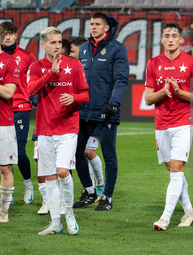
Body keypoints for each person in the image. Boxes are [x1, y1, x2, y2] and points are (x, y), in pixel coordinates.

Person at [28, 27, 89, 235]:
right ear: (43, 45)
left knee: (62, 172)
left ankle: (69, 213)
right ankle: (56, 222)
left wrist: (74, 98)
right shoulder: (37, 67)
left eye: (59, 42)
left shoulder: (74, 65)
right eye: (52, 43)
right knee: (50, 177)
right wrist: (50, 73)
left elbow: (85, 94)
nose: (57, 46)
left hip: (68, 127)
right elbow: (30, 90)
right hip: (44, 129)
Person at [145, 23, 193, 231]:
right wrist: (163, 92)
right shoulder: (153, 63)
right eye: (166, 35)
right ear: (161, 40)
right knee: (172, 170)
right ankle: (189, 211)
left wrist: (180, 93)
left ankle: (165, 218)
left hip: (183, 122)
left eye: (174, 35)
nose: (170, 39)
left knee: (177, 168)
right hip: (161, 123)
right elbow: (148, 98)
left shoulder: (191, 63)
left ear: (181, 40)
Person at [74, 12, 129, 211]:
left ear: (107, 28)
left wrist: (114, 102)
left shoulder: (117, 49)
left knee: (108, 155)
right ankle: (89, 191)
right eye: (91, 24)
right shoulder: (84, 49)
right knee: (77, 152)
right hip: (84, 111)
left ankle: (107, 196)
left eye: (97, 24)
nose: (93, 27)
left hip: (107, 111)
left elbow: (121, 80)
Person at [0, 21, 37, 205]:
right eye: (5, 33)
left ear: (16, 36)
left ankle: (28, 183)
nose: (7, 37)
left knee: (20, 153)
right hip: (2, 110)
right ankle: (9, 193)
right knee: (5, 156)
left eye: (11, 33)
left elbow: (37, 77)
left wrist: (36, 96)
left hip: (21, 107)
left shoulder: (27, 56)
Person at [70, 37, 105, 199]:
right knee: (82, 153)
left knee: (88, 151)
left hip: (93, 114)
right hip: (79, 115)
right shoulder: (72, 68)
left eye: (72, 51)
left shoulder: (91, 67)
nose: (70, 54)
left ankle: (99, 186)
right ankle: (90, 189)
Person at [0, 26, 19, 222]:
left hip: (2, 122)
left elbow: (8, 92)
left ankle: (3, 211)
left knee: (5, 168)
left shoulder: (9, 61)